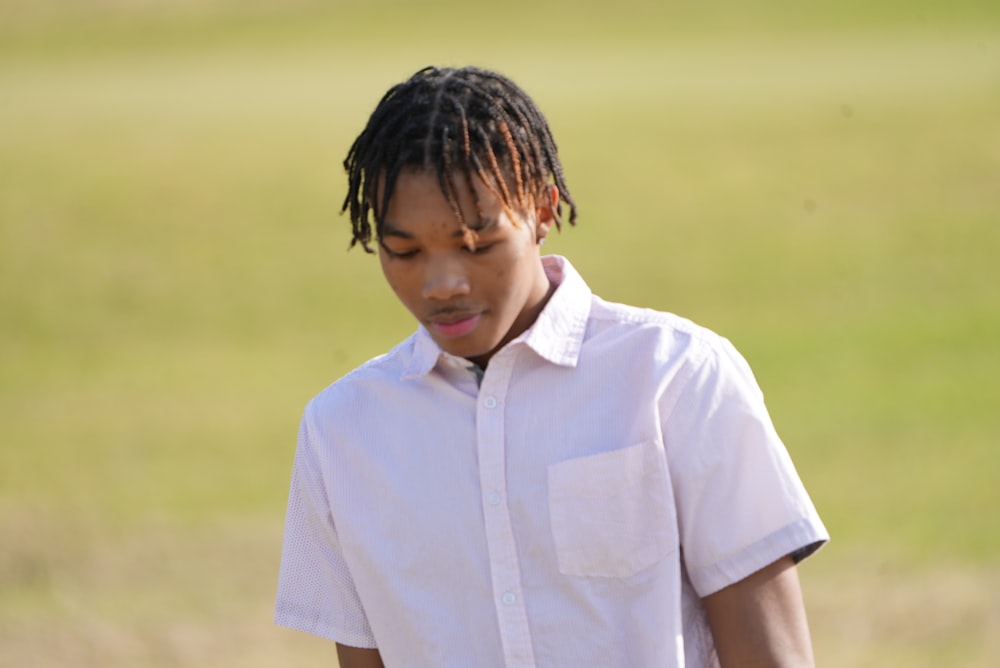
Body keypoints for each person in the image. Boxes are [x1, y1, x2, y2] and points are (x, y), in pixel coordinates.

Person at [275, 65, 829, 668]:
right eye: (404, 251)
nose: (441, 284)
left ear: (541, 209)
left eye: (476, 243)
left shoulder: (677, 376)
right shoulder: (342, 431)